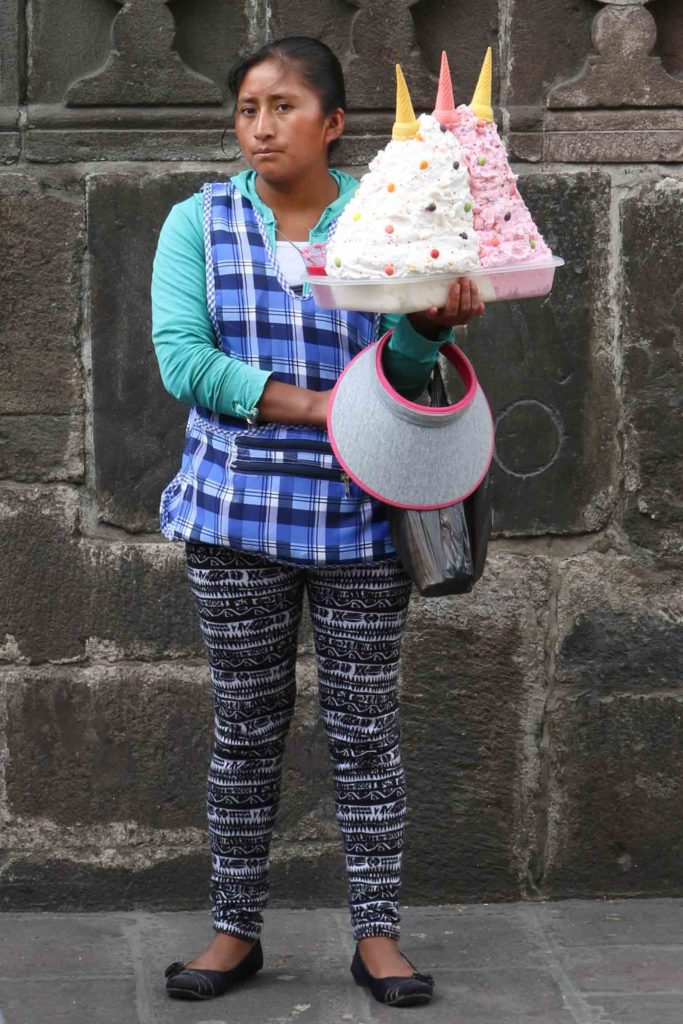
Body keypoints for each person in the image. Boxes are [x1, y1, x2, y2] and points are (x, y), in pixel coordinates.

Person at [151, 35, 484, 1007]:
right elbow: (184, 362)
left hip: (359, 520)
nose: (260, 126)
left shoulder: (384, 221)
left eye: (283, 106)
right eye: (248, 108)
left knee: (364, 731)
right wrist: (318, 403)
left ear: (334, 124)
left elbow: (410, 379)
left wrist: (426, 328)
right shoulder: (197, 224)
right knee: (245, 729)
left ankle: (377, 939)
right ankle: (231, 932)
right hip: (234, 516)